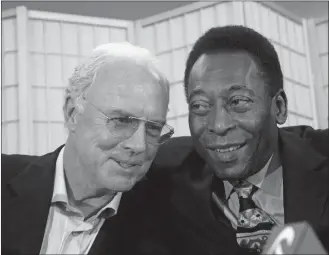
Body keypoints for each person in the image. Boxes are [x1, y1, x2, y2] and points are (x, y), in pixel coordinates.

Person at [150, 25, 329, 255]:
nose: (218, 125)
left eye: (238, 102)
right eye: (200, 106)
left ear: (279, 107)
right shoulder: (165, 172)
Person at [2, 42, 174, 255]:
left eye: (153, 128)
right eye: (121, 120)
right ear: (72, 113)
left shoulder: (167, 229)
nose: (139, 145)